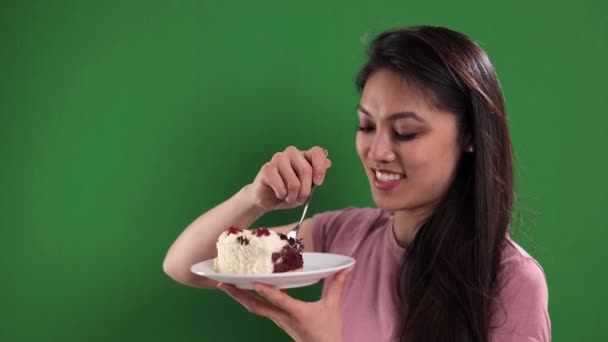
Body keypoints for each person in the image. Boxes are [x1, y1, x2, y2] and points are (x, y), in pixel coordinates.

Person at [163, 25, 551, 342]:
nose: (377, 151)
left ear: (470, 137)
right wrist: (255, 198)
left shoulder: (512, 280)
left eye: (405, 132)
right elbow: (185, 266)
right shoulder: (346, 236)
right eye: (366, 126)